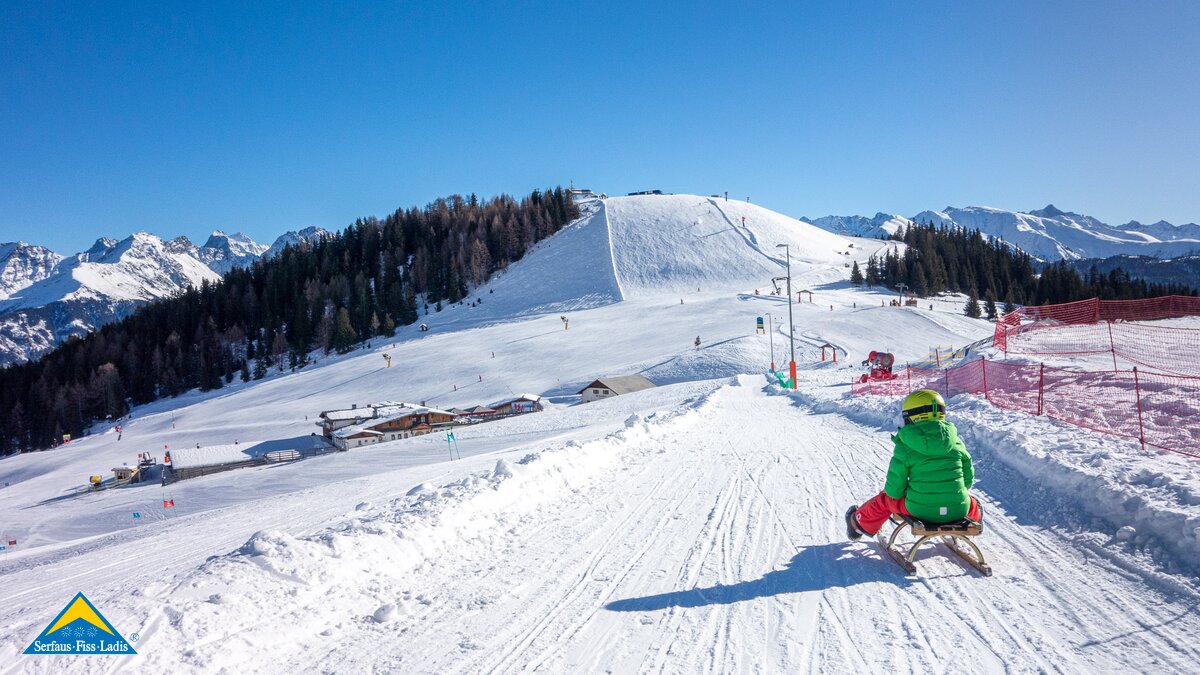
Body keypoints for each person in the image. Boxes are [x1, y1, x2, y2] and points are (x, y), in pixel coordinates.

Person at [845, 389, 980, 540]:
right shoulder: (956, 442)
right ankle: (971, 524)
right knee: (971, 501)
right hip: (958, 510)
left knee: (885, 499)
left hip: (919, 510)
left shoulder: (906, 445)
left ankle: (857, 524)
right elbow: (967, 481)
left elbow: (894, 491)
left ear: (911, 417)